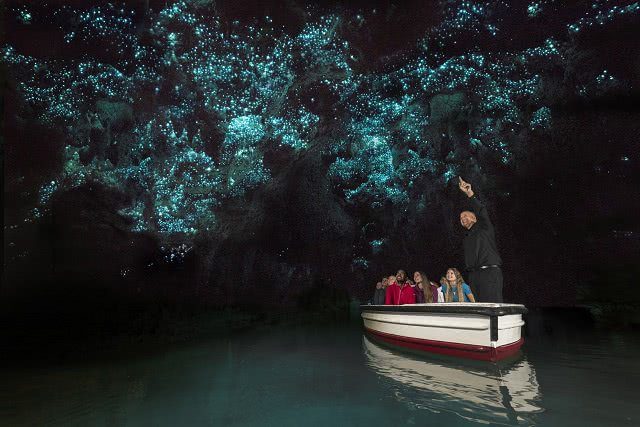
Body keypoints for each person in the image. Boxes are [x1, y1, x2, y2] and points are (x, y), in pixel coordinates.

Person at [458, 177, 504, 302]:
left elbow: (481, 210)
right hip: (474, 276)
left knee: (491, 306)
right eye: (461, 219)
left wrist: (469, 193)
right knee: (478, 307)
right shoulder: (467, 237)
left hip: (489, 272)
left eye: (465, 216)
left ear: (474, 218)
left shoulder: (485, 227)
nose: (462, 219)